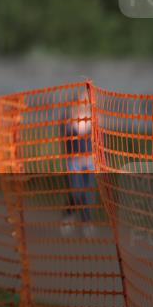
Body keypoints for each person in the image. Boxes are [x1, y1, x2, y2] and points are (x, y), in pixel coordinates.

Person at [61, 100, 96, 238]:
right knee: (76, 192)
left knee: (88, 194)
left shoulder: (93, 120)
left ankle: (87, 222)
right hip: (74, 162)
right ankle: (68, 215)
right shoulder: (68, 121)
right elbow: (65, 143)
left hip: (89, 162)